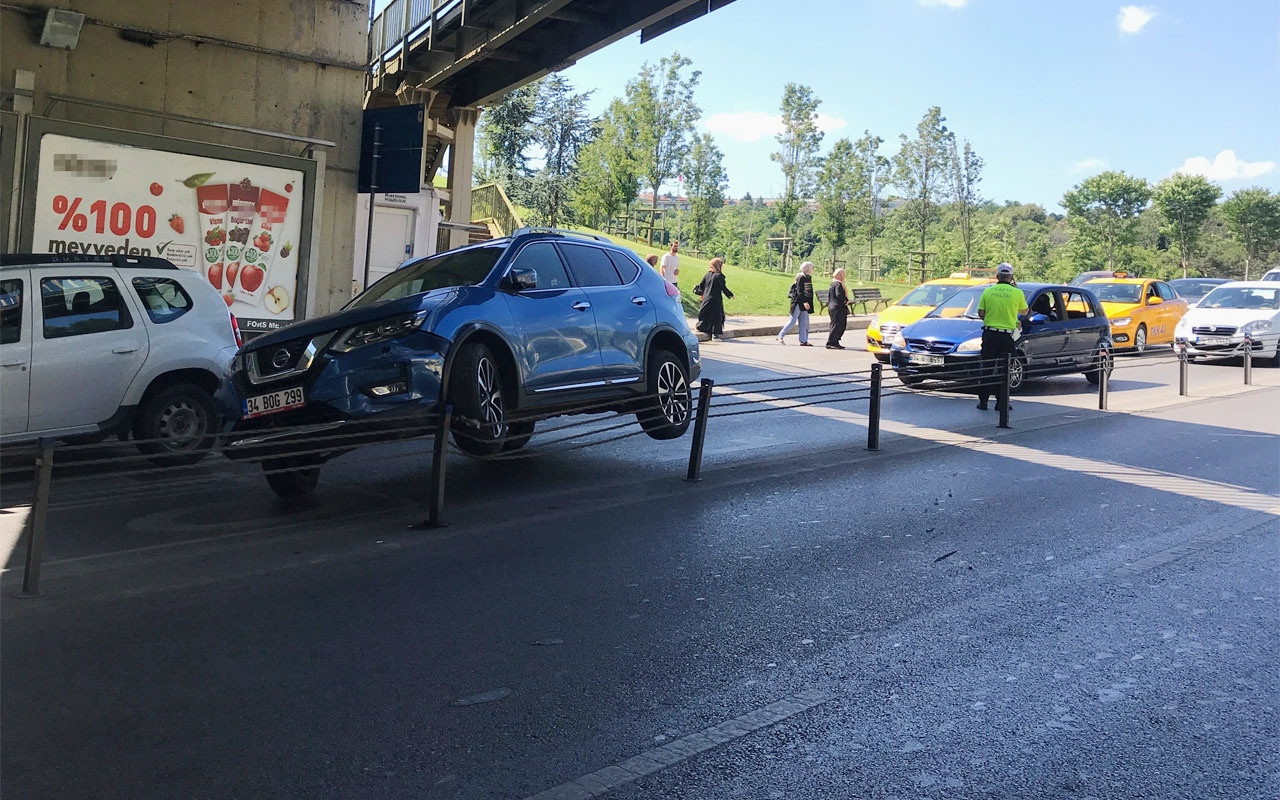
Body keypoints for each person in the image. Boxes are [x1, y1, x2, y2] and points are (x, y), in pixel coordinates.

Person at [975, 262, 1029, 411]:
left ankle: (983, 402)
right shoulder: (1017, 293)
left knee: (987, 367)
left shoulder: (988, 292)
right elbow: (1025, 311)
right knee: (1004, 370)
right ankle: (1001, 403)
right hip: (1007, 337)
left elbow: (981, 313)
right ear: (1011, 277)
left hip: (990, 334)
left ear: (997, 276)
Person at [693, 257, 734, 340]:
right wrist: (731, 295)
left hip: (706, 298)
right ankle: (715, 334)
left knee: (706, 315)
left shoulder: (707, 274)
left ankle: (702, 328)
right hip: (715, 299)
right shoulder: (719, 276)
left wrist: (701, 293)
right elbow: (723, 288)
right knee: (717, 317)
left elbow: (702, 285)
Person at [777, 261, 815, 346]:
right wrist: (804, 301)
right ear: (808, 269)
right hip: (798, 302)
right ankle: (780, 335)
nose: (813, 269)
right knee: (792, 321)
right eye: (812, 267)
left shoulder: (808, 278)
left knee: (804, 322)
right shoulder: (801, 277)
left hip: (805, 303)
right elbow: (799, 291)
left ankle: (803, 340)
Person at [825, 268, 850, 349]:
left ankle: (835, 341)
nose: (844, 276)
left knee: (837, 325)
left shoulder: (832, 284)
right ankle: (831, 342)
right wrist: (846, 299)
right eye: (843, 274)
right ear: (840, 275)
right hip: (837, 307)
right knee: (837, 325)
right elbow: (839, 294)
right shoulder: (838, 284)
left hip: (832, 307)